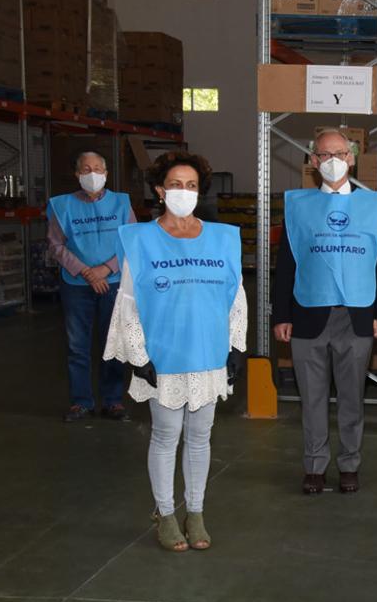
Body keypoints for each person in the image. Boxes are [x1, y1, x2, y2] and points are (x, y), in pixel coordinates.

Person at [102, 151, 246, 552]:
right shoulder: (142, 239)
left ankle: (195, 513)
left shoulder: (222, 237)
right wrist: (138, 355)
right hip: (164, 354)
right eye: (176, 184)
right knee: (166, 436)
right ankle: (166, 513)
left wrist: (237, 346)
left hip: (208, 352)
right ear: (160, 190)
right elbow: (128, 300)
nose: (184, 192)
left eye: (192, 185)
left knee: (201, 437)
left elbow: (237, 296)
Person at [273, 128, 377, 495]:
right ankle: (314, 466)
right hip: (308, 316)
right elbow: (286, 264)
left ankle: (349, 465)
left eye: (339, 153)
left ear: (352, 157)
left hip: (357, 317)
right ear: (312, 161)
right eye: (324, 155)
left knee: (351, 398)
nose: (332, 161)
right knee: (311, 398)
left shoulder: (375, 206)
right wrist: (282, 315)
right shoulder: (298, 207)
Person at [48, 151, 136, 423]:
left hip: (112, 282)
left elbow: (131, 241)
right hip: (77, 284)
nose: (92, 173)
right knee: (78, 345)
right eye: (86, 168)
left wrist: (106, 269)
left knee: (113, 344)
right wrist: (86, 271)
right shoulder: (62, 206)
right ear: (77, 174)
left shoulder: (121, 203)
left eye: (98, 168)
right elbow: (55, 245)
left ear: (107, 174)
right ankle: (81, 402)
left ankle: (113, 401)